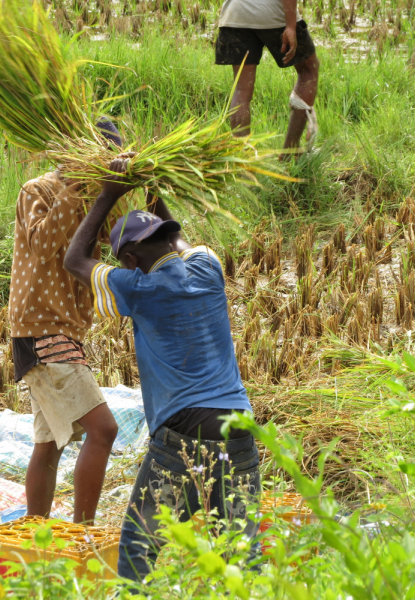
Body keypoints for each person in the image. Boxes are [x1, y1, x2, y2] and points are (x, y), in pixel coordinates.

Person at [64, 157, 261, 582]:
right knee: (241, 551)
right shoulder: (207, 268)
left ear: (130, 259)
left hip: (184, 433)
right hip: (240, 425)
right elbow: (180, 239)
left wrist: (110, 193)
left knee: (140, 547)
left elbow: (74, 260)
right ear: (171, 241)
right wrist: (154, 186)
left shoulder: (137, 287)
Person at [9, 120, 123, 525]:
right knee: (104, 429)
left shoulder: (95, 197)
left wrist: (122, 191)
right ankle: (84, 530)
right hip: (41, 328)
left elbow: (117, 240)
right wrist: (75, 186)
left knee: (49, 444)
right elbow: (41, 248)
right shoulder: (37, 191)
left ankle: (34, 529)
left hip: (63, 328)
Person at [215, 0, 320, 158]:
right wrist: (291, 27)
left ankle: (243, 162)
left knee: (241, 89)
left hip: (235, 14)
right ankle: (290, 152)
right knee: (308, 71)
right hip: (273, 14)